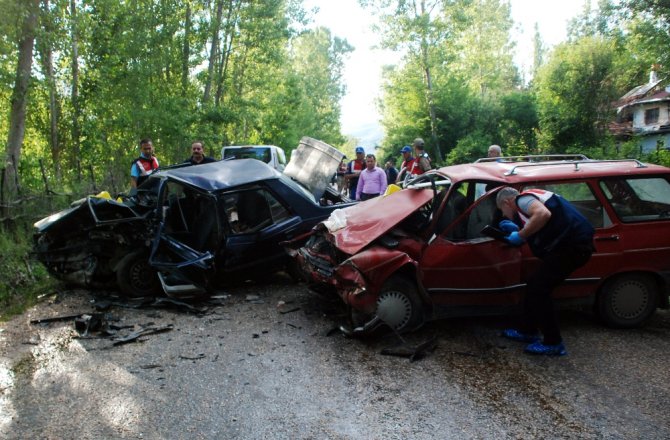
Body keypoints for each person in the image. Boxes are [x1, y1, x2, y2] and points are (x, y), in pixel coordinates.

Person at [496, 187, 595, 356]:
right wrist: (520, 228)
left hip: (573, 247)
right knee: (533, 284)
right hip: (573, 245)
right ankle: (528, 331)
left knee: (539, 290)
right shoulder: (533, 196)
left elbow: (543, 215)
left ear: (506, 202)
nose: (505, 215)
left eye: (502, 211)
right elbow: (543, 221)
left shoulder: (522, 200)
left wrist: (520, 235)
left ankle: (553, 342)